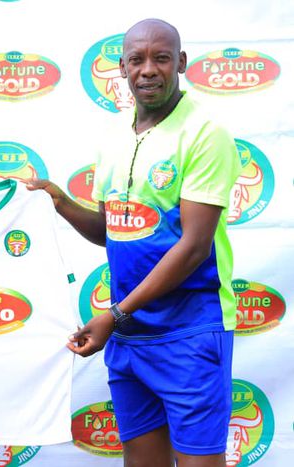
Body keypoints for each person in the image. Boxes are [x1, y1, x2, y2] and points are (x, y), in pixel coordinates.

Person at [29, 18, 241, 467]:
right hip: (129, 334)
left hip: (189, 332)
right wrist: (60, 202)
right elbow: (113, 230)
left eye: (161, 58)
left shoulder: (205, 133)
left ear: (180, 62)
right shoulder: (113, 138)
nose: (148, 69)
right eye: (137, 59)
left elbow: (194, 247)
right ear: (122, 67)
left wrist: (115, 314)